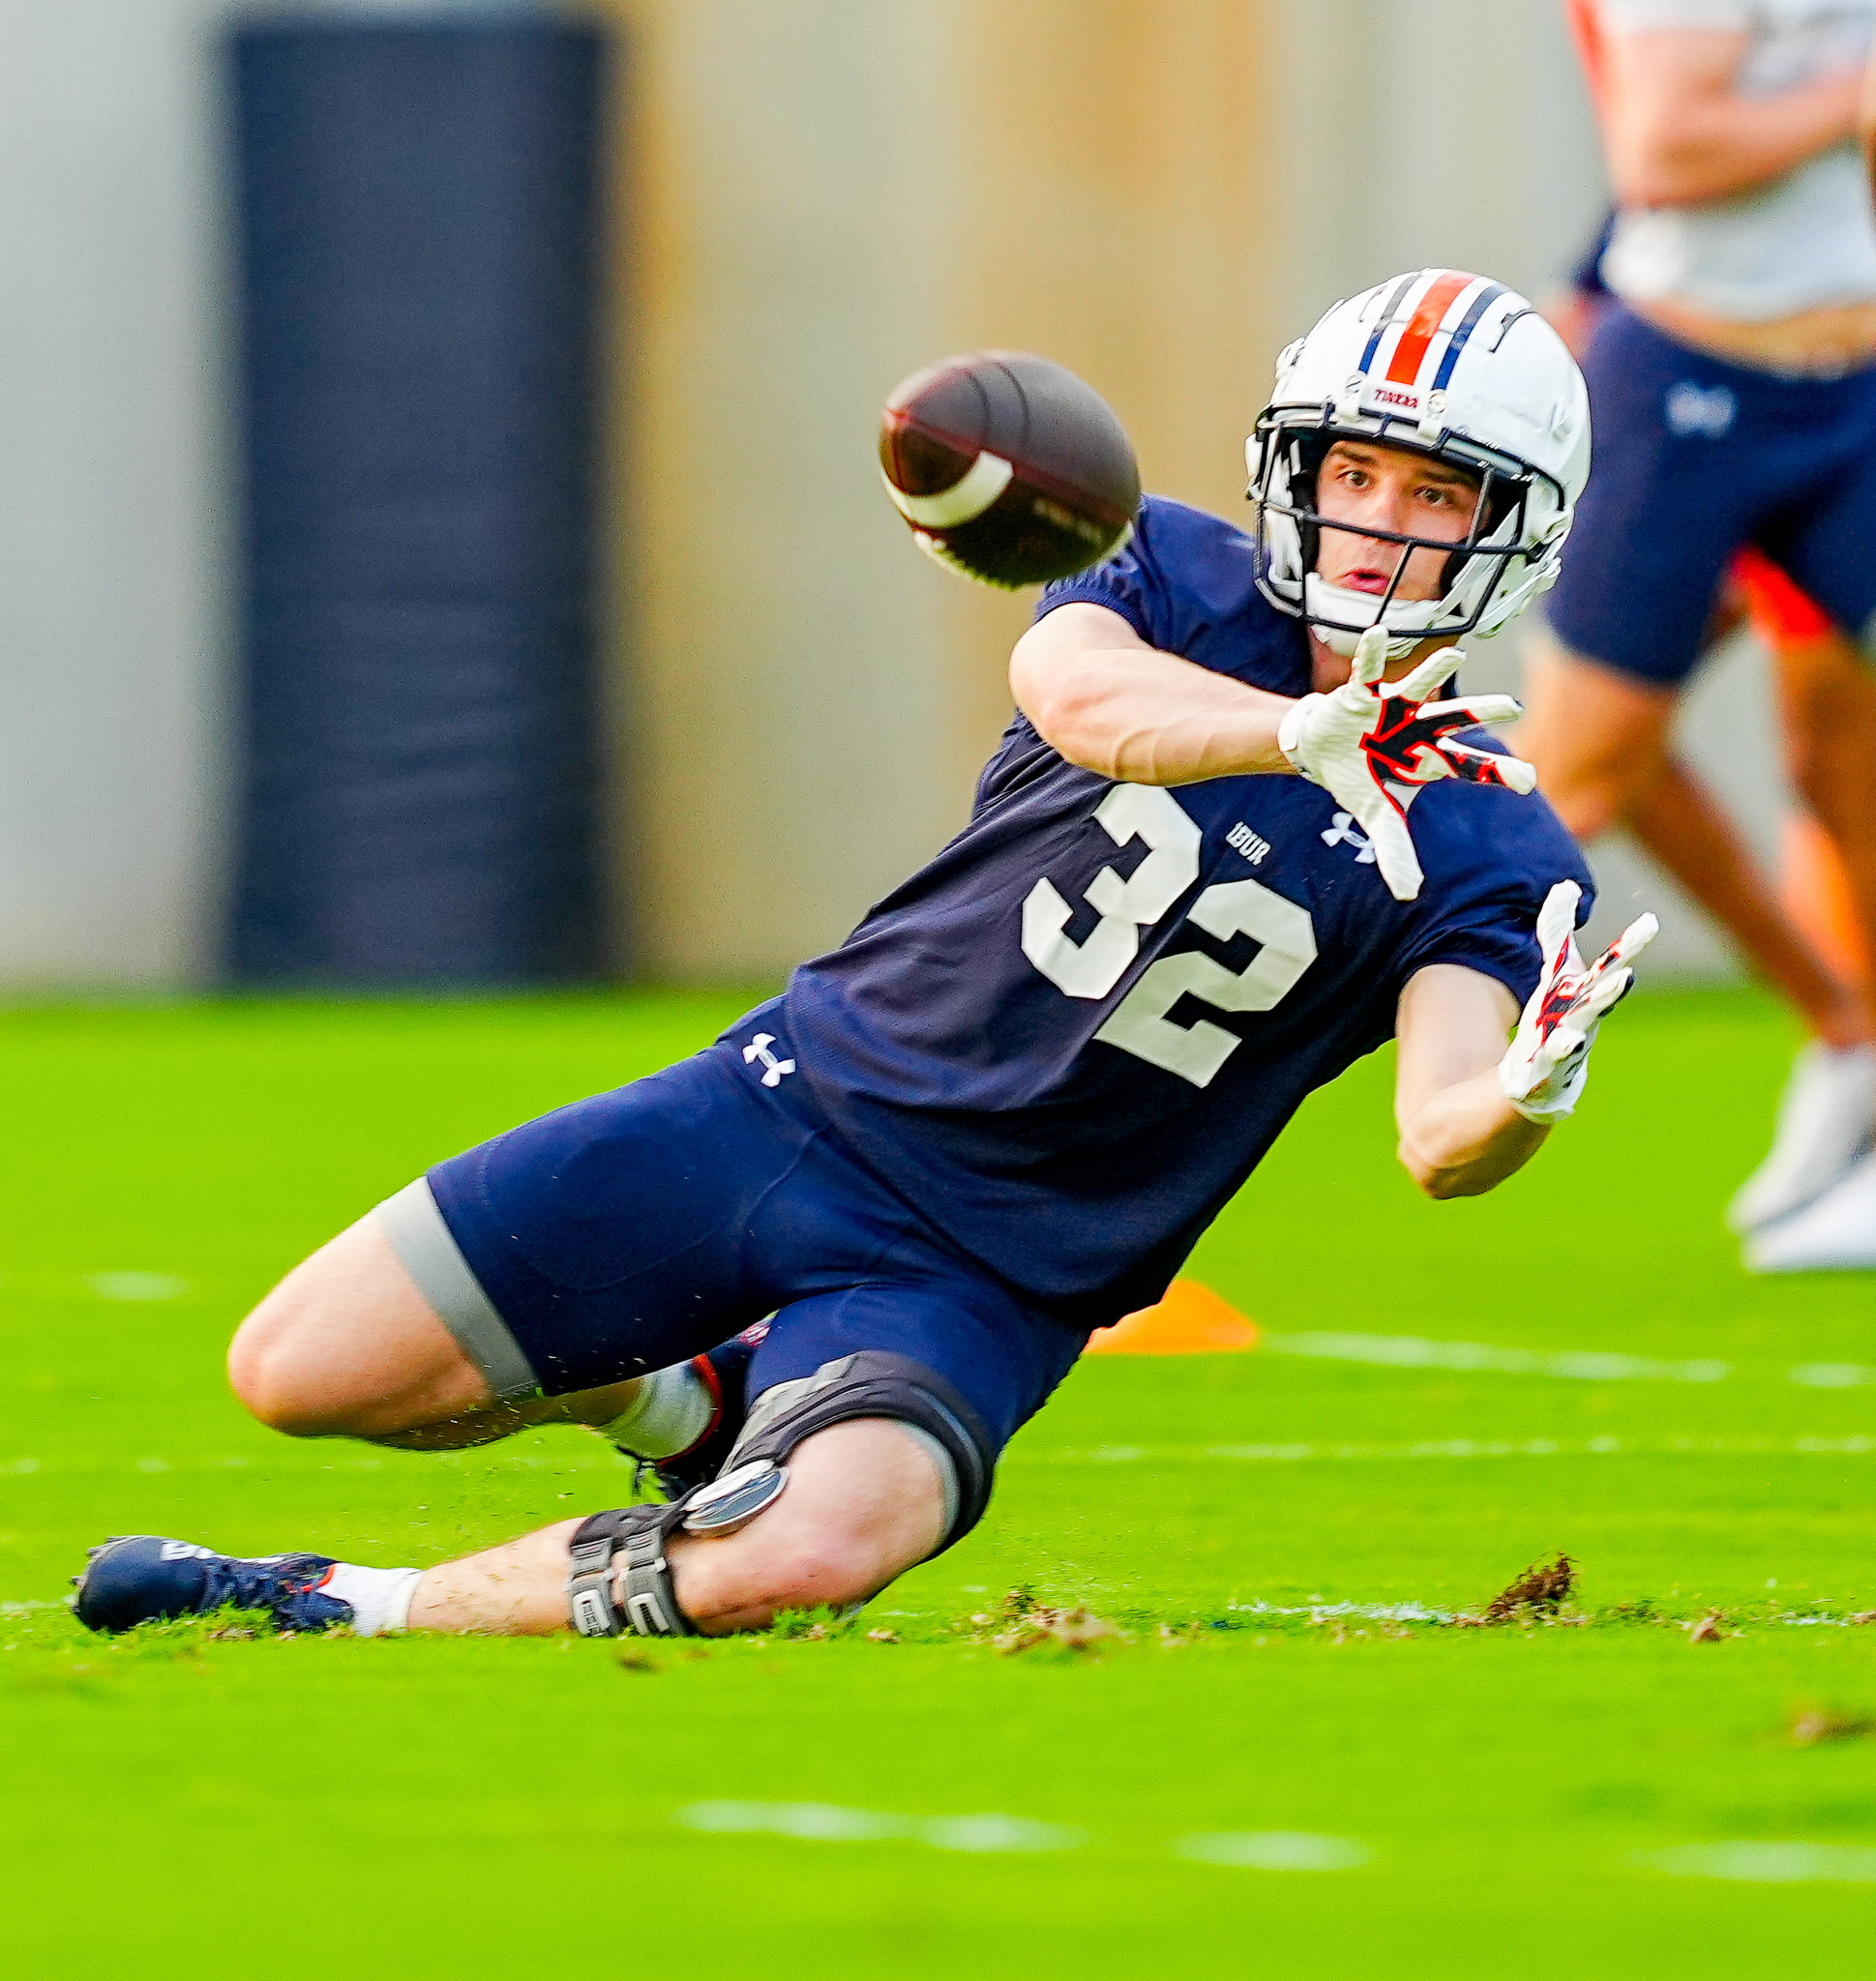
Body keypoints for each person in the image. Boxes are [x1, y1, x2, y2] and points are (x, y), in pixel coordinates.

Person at [72, 272, 1654, 1643]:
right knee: (303, 1368)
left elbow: (1440, 1137)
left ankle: (333, 1604)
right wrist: (1291, 735)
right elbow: (1077, 695)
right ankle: (686, 1401)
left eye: (1433, 494)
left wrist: (1525, 1091)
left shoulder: (1496, 844)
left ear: (1514, 533)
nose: (1374, 526)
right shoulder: (1173, 574)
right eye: (1350, 471)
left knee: (821, 1542)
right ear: (1286, 467)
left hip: (987, 1274)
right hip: (793, 1107)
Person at [1520, 0, 1876, 1271]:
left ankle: (1866, 1086)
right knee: (1585, 772)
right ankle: (1843, 1028)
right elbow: (1663, 152)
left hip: (1862, 395)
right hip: (1690, 378)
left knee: (1845, 755)